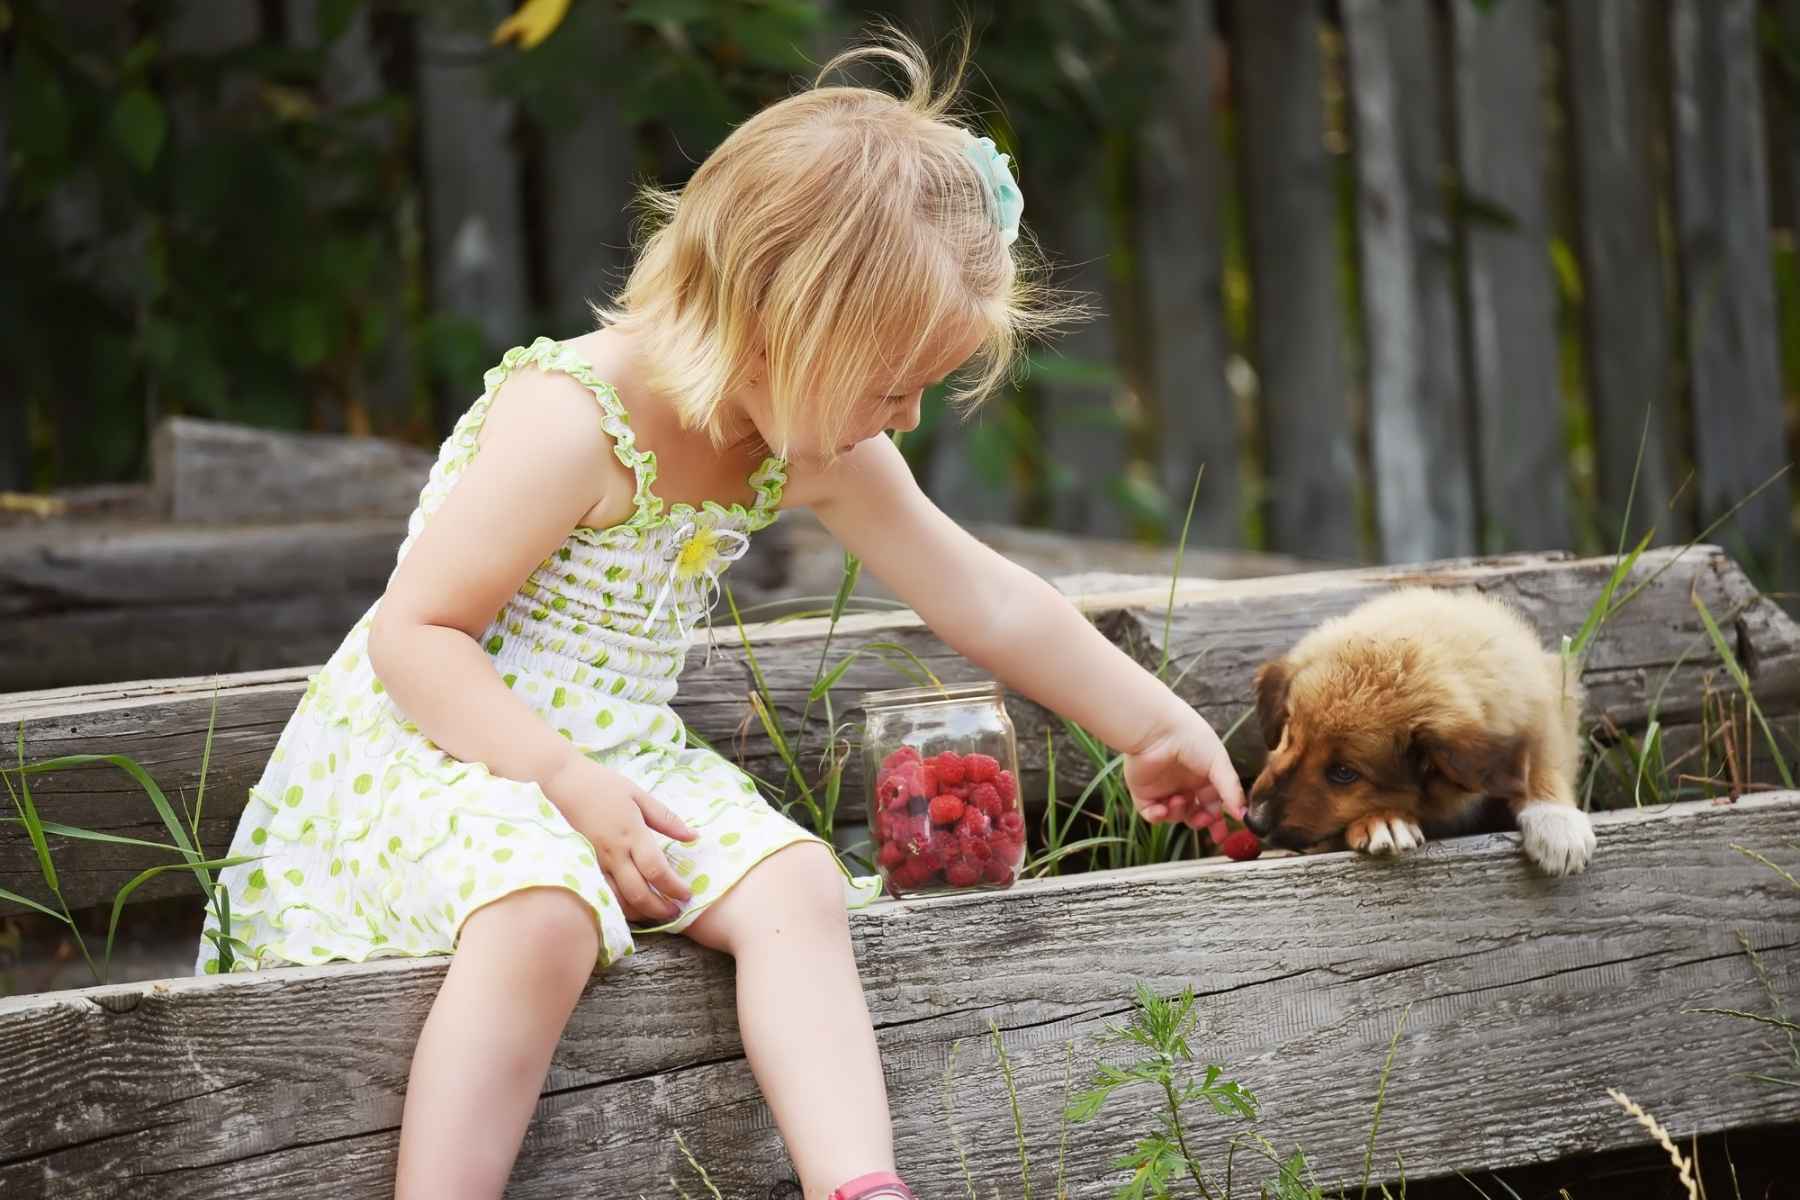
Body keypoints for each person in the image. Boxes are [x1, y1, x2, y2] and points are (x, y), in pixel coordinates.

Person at [196, 25, 1245, 1200]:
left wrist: (1150, 727)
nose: (904, 420)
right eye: (891, 384)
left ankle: (857, 1185)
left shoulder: (808, 439)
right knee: (542, 912)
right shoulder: (573, 421)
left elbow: (987, 596)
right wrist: (561, 780)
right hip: (443, 740)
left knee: (795, 887)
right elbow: (415, 637)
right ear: (785, 329)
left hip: (615, 753)